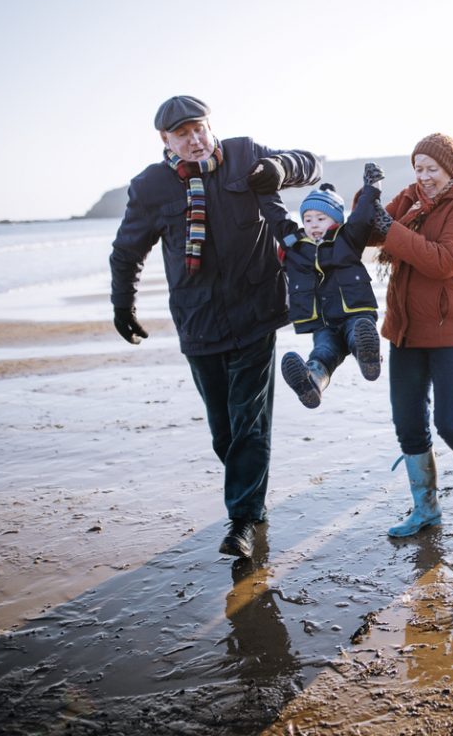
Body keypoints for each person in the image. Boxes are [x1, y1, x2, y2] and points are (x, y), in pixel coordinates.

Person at [109, 95, 321, 560]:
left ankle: (242, 521)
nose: (194, 140)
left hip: (256, 312)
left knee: (249, 421)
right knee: (224, 432)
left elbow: (312, 164)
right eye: (182, 134)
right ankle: (252, 496)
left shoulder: (245, 155)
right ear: (164, 140)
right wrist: (123, 304)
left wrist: (280, 169)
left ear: (210, 126)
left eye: (199, 129)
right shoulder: (150, 188)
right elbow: (127, 252)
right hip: (198, 321)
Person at [367, 133, 453, 537]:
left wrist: (391, 230)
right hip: (405, 328)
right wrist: (368, 198)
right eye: (418, 168)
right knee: (408, 423)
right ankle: (426, 508)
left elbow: (443, 262)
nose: (424, 176)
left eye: (431, 169)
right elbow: (369, 230)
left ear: (451, 169)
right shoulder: (410, 198)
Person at [271, 163, 385, 409]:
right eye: (307, 219)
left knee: (358, 334)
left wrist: (372, 188)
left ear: (334, 220)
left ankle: (369, 358)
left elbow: (362, 216)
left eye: (320, 218)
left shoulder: (346, 238)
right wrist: (264, 189)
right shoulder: (295, 246)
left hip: (354, 312)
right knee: (323, 352)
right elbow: (276, 216)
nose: (313, 224)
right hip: (323, 322)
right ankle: (312, 383)